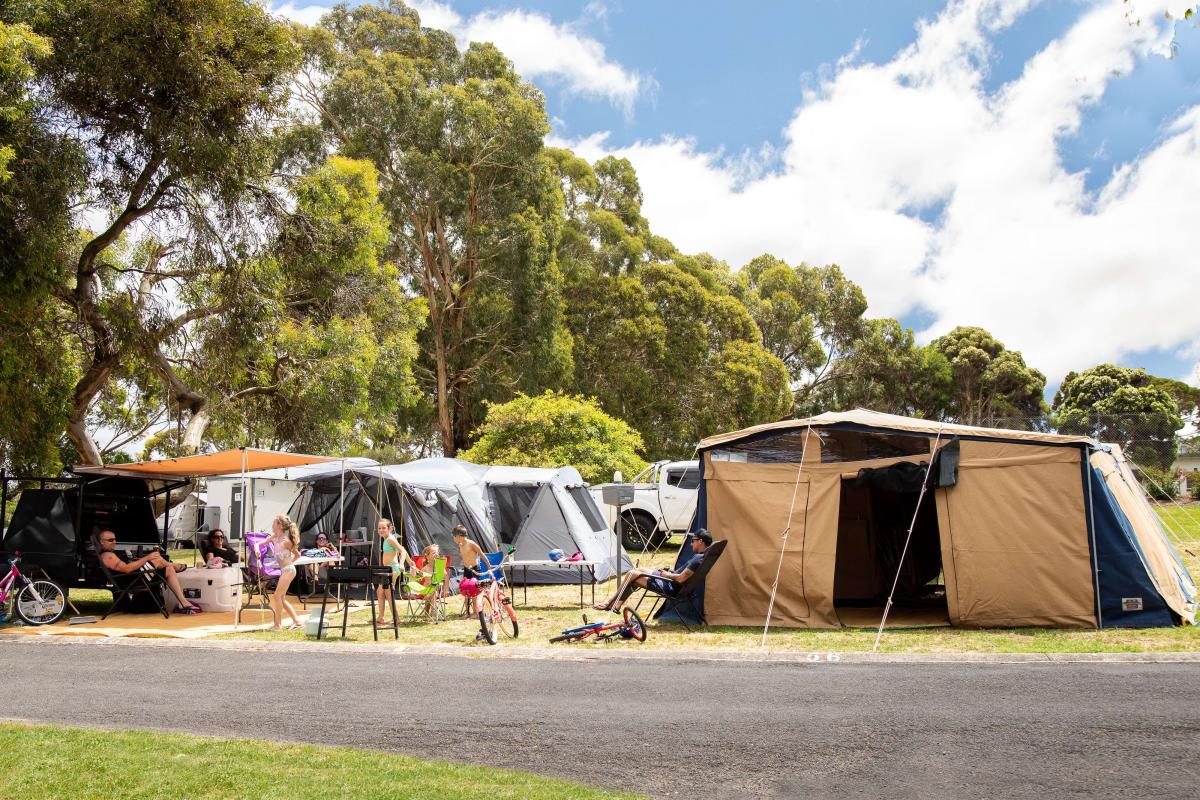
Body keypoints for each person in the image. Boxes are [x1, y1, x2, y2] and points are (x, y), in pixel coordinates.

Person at [594, 529, 712, 612]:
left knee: (632, 575)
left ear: (700, 541)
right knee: (639, 570)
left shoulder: (697, 559)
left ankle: (610, 602)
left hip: (670, 586)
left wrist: (667, 575)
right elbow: (682, 576)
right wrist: (670, 572)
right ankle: (617, 605)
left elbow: (681, 579)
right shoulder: (703, 557)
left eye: (693, 541)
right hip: (671, 581)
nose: (691, 544)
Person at [95, 530, 201, 615]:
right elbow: (126, 569)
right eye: (110, 540)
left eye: (115, 539)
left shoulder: (111, 554)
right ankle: (174, 565)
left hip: (136, 577)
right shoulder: (107, 556)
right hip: (132, 581)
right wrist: (147, 558)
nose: (114, 542)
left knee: (168, 569)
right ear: (102, 542)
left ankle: (182, 601)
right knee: (156, 558)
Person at [376, 518, 416, 627]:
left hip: (392, 569)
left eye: (383, 528)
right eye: (379, 528)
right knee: (380, 591)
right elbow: (402, 548)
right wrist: (410, 561)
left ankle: (396, 619)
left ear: (390, 528)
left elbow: (402, 551)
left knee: (388, 593)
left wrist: (402, 563)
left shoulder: (390, 539)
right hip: (387, 569)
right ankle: (381, 617)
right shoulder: (387, 539)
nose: (381, 530)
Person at [267, 514, 303, 631]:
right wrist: (257, 548)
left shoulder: (286, 541)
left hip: (288, 570)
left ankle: (278, 625)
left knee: (277, 595)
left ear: (279, 526)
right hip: (285, 570)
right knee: (281, 598)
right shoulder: (274, 538)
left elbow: (298, 554)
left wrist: (290, 563)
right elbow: (260, 543)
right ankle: (297, 621)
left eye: (273, 523)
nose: (272, 525)